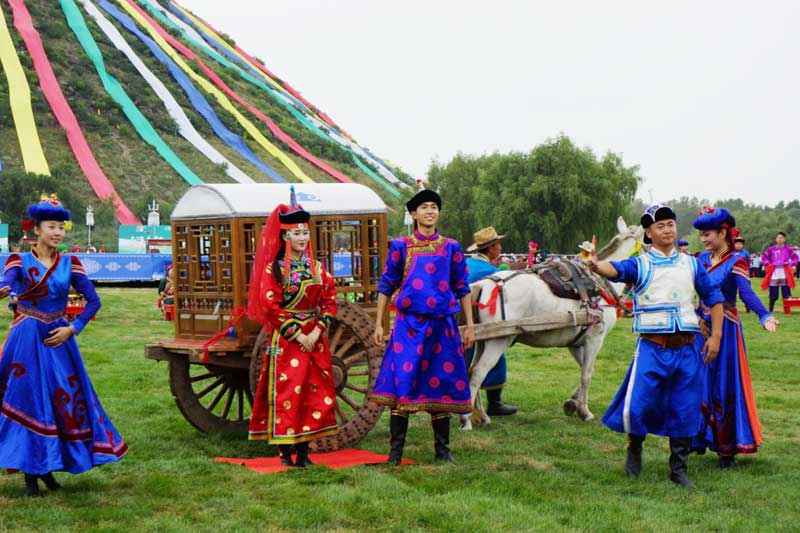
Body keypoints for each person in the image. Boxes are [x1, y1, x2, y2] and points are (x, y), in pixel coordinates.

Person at [588, 204, 724, 488]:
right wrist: (596, 265)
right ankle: (634, 449)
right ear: (648, 233)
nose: (667, 229)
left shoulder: (691, 263)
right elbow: (615, 269)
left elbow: (713, 296)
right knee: (638, 405)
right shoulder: (641, 263)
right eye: (660, 226)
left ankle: (678, 469)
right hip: (652, 347)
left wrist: (716, 337)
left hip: (688, 347)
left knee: (686, 407)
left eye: (670, 224)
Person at [0, 196, 127, 497]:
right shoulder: (19, 261)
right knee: (29, 401)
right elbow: (6, 285)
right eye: (51, 226)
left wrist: (73, 328)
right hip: (27, 339)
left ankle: (48, 467)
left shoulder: (71, 262)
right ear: (37, 229)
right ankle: (32, 474)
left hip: (59, 338)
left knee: (63, 400)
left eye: (61, 227)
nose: (57, 232)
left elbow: (94, 300)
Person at [370, 185, 474, 465]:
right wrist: (380, 323)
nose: (430, 212)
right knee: (403, 384)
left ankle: (443, 451)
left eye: (435, 207)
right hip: (408, 326)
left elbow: (462, 287)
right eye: (425, 207)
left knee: (440, 383)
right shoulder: (400, 247)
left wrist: (471, 325)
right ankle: (395, 454)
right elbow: (386, 285)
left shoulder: (451, 247)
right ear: (414, 213)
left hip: (443, 326)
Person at [247, 187, 338, 467]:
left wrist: (315, 331)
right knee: (288, 393)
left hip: (314, 338)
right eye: (296, 233)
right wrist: (298, 333)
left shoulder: (318, 269)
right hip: (288, 342)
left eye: (305, 232)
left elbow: (330, 301)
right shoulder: (273, 270)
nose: (301, 237)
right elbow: (269, 305)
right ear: (285, 236)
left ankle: (304, 452)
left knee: (314, 392)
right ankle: (285, 453)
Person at [691, 208, 778, 468]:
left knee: (725, 385)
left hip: (726, 330)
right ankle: (699, 437)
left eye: (707, 234)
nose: (703, 239)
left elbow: (746, 293)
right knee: (698, 383)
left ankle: (726, 448)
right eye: (701, 235)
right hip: (701, 327)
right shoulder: (700, 259)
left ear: (723, 232)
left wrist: (764, 315)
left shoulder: (736, 261)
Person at [465, 227, 517, 417]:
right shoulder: (487, 270)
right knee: (493, 357)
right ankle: (493, 404)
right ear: (490, 249)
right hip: (476, 321)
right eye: (498, 244)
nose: (500, 247)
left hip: (463, 317)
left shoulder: (469, 263)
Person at [760, 231, 798, 312]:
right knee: (773, 291)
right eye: (778, 237)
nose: (779, 239)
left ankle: (787, 309)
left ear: (784, 239)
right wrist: (768, 264)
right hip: (774, 272)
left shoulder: (788, 249)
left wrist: (792, 264)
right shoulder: (771, 249)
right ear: (776, 239)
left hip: (785, 272)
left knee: (786, 291)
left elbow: (795, 257)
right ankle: (771, 308)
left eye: (781, 238)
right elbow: (764, 257)